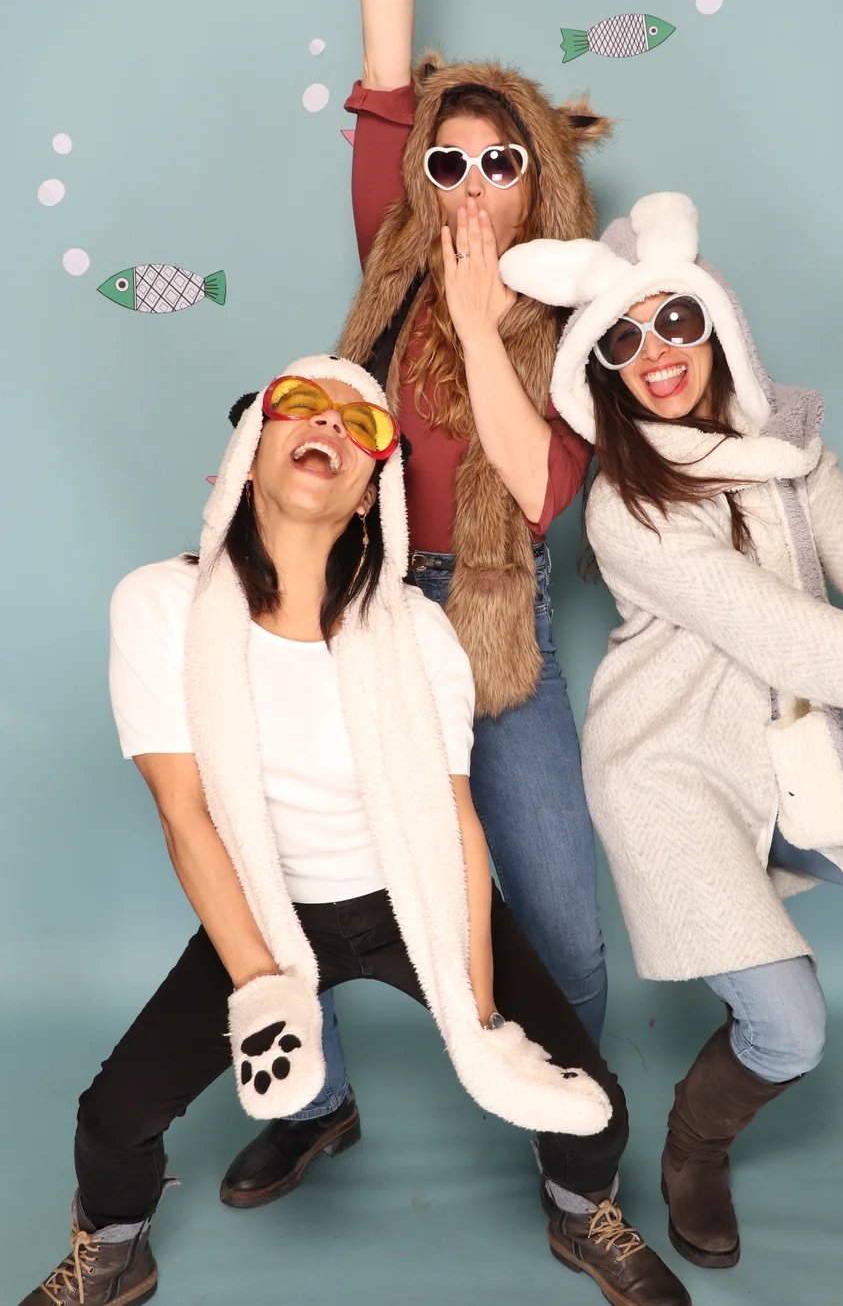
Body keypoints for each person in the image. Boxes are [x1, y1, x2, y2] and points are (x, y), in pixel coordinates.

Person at [17, 356, 690, 1306]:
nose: (328, 424)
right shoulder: (160, 605)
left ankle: (583, 1213)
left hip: (412, 896)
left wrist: (483, 1016)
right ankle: (116, 1248)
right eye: (300, 405)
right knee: (110, 1120)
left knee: (594, 1106)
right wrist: (264, 990)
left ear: (373, 493)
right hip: (267, 910)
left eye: (360, 422)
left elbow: (456, 820)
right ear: (249, 455)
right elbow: (184, 812)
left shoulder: (417, 632)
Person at [220, 0, 613, 1206]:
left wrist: (485, 320)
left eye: (499, 161)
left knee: (558, 917)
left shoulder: (580, 315)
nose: (470, 182)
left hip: (500, 627)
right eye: (448, 162)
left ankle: (574, 1157)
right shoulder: (391, 259)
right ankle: (312, 1104)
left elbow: (541, 487)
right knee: (289, 875)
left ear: (539, 177)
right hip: (363, 605)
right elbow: (389, 66)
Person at [499, 192, 843, 1269]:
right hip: (669, 780)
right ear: (604, 371)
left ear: (718, 322)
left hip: (786, 764)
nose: (656, 354)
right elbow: (787, 634)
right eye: (623, 340)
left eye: (675, 320)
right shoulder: (626, 508)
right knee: (792, 1029)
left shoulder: (791, 453)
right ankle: (695, 1146)